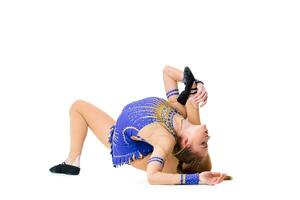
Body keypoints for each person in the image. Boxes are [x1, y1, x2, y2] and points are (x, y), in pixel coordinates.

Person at [49, 65, 230, 185]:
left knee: (78, 107)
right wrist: (196, 84)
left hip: (128, 146)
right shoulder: (182, 112)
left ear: (186, 143)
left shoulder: (165, 138)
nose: (209, 137)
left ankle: (72, 161)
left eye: (204, 143)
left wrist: (196, 179)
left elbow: (151, 177)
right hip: (131, 130)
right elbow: (167, 72)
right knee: (78, 106)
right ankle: (73, 162)